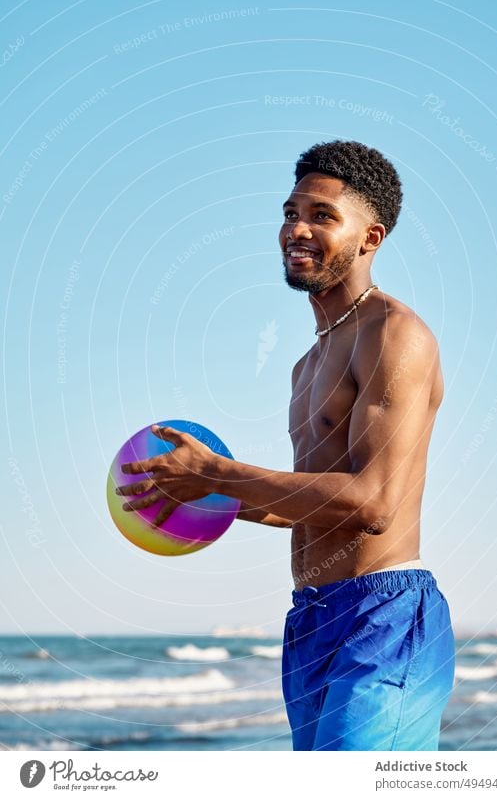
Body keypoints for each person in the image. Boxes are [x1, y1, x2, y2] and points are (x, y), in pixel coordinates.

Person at [116, 139, 455, 751]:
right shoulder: (307, 365)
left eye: (322, 216)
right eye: (290, 212)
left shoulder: (393, 334)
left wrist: (218, 470)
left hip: (382, 616)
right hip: (309, 620)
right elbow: (311, 502)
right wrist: (201, 494)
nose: (296, 228)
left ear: (370, 238)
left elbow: (371, 503)